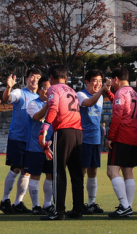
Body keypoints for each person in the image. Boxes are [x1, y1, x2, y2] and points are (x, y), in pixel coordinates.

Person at [33, 64, 85, 219]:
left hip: (63, 131)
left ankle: (59, 211)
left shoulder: (53, 89)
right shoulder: (72, 90)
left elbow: (53, 107)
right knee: (76, 173)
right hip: (78, 132)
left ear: (51, 77)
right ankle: (78, 209)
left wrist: (44, 128)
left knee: (59, 172)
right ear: (66, 77)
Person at [0, 68, 43, 214]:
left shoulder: (40, 99)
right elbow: (7, 98)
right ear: (27, 78)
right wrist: (9, 87)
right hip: (17, 138)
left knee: (26, 172)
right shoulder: (20, 93)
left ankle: (18, 202)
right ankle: (5, 200)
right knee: (15, 168)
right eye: (32, 76)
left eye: (37, 77)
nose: (35, 80)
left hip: (32, 141)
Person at [103, 67, 137, 218]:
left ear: (116, 79)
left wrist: (110, 136)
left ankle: (124, 206)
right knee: (128, 172)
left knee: (112, 171)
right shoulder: (134, 93)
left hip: (121, 136)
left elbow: (118, 114)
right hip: (133, 136)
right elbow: (123, 107)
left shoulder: (121, 92)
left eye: (112, 80)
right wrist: (110, 94)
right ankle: (128, 206)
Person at [23, 75, 55, 214]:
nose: (47, 91)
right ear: (40, 89)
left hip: (50, 146)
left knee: (50, 175)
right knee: (35, 175)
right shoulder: (33, 103)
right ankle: (36, 206)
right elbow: (37, 117)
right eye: (44, 88)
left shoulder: (56, 105)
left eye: (49, 88)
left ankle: (47, 204)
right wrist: (48, 104)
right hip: (35, 147)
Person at [77, 69, 106, 214]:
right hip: (83, 139)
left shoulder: (100, 96)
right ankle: (79, 203)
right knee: (81, 171)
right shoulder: (81, 94)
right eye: (95, 80)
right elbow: (87, 103)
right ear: (87, 81)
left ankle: (91, 203)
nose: (98, 84)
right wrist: (102, 90)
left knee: (93, 171)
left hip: (95, 138)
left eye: (100, 81)